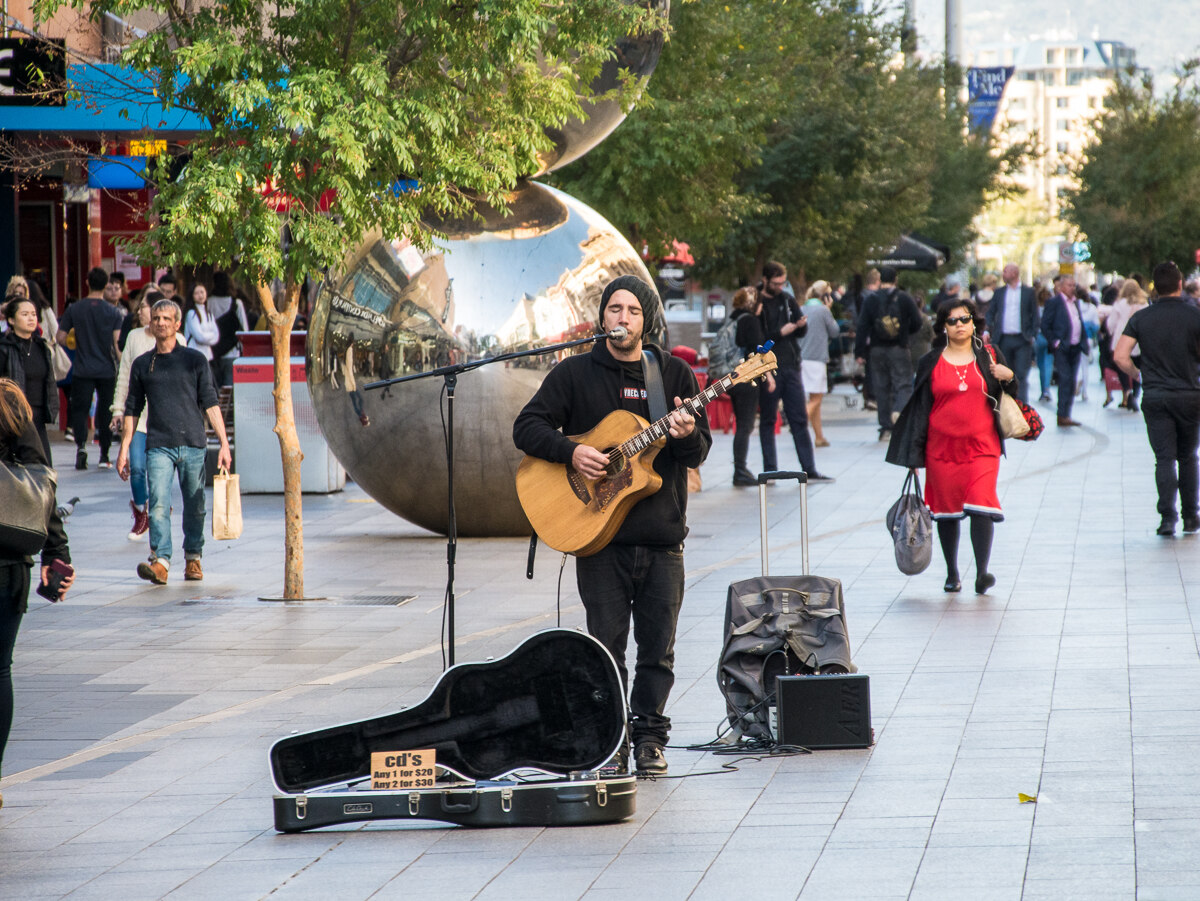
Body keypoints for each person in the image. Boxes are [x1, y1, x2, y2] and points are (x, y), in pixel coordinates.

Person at [512, 275, 711, 776]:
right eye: (615, 309)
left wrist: (686, 433)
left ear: (646, 320)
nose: (623, 318)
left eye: (633, 311)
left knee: (658, 651)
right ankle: (610, 740)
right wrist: (571, 452)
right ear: (602, 318)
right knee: (605, 648)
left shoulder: (673, 375)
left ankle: (650, 739)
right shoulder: (575, 373)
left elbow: (697, 453)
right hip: (599, 539)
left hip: (662, 540)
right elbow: (527, 426)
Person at [887, 300, 1017, 594]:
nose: (959, 325)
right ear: (943, 326)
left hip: (983, 446)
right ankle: (952, 573)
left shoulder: (989, 356)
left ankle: (982, 573)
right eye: (952, 320)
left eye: (964, 319)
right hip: (941, 450)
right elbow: (920, 410)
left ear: (974, 322)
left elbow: (1010, 394)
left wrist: (1009, 376)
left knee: (981, 503)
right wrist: (913, 457)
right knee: (947, 512)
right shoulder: (930, 362)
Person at [116, 299, 232, 584]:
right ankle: (161, 561)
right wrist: (124, 448)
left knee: (195, 505)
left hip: (193, 442)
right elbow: (132, 408)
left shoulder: (195, 360)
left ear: (178, 324)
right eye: (157, 318)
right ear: (150, 322)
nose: (161, 323)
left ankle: (193, 558)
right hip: (158, 444)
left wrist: (224, 443)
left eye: (167, 318)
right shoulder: (143, 364)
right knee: (157, 503)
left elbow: (210, 402)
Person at [0, 378, 74, 807]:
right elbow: (40, 481)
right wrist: (56, 551)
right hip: (7, 562)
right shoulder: (8, 399)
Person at [1114, 261, 1200, 537]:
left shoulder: (1142, 318)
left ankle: (1167, 518)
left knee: (1164, 458)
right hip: (1189, 395)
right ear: (1179, 284)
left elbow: (1120, 355)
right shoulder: (1194, 315)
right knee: (1188, 457)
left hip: (1156, 395)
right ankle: (1191, 516)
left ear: (1154, 288)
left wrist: (1139, 375)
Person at [757, 261, 832, 480]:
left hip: (791, 365)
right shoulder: (758, 302)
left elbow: (800, 332)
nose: (779, 287)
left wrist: (800, 326)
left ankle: (809, 468)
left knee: (799, 418)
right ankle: (770, 470)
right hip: (768, 368)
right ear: (765, 280)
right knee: (768, 419)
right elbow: (757, 338)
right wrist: (780, 332)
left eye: (782, 282)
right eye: (775, 283)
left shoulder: (787, 299)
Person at [56, 267, 124, 470]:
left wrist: (72, 342)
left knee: (80, 410)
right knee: (105, 411)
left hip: (82, 368)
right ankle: (104, 455)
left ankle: (81, 448)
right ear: (106, 285)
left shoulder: (74, 309)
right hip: (106, 369)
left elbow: (60, 337)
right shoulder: (113, 312)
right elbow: (117, 344)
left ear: (87, 283)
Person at [110, 291, 159, 542]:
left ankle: (157, 513)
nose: (139, 311)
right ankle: (141, 512)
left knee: (158, 471)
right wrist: (118, 409)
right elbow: (124, 375)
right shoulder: (134, 337)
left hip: (162, 418)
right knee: (137, 468)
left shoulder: (178, 339)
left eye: (144, 307)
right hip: (137, 417)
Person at [855, 266, 922, 441]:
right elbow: (917, 322)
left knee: (881, 387)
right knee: (904, 384)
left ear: (880, 280)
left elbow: (862, 326)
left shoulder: (871, 299)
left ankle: (885, 428)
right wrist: (904, 334)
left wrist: (859, 352)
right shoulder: (904, 298)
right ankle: (899, 412)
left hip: (876, 349)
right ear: (895, 280)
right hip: (899, 347)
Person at [0, 296, 59, 462]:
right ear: (11, 320)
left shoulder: (42, 347)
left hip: (38, 418)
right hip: (13, 420)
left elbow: (50, 383)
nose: (31, 318)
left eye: (33, 314)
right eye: (25, 314)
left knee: (44, 467)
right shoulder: (4, 348)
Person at [727, 286, 774, 485]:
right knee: (745, 425)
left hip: (730, 377)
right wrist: (769, 376)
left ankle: (740, 469)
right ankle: (740, 470)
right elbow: (758, 353)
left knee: (741, 424)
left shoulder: (733, 319)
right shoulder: (751, 321)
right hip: (747, 377)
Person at [985, 263, 1039, 405]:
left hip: (1022, 339)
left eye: (1005, 271)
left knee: (1021, 374)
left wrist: (1032, 334)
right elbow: (991, 312)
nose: (1003, 274)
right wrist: (987, 330)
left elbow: (1035, 314)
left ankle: (1022, 407)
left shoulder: (1028, 292)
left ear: (1014, 273)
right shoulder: (999, 292)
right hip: (1003, 339)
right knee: (1003, 373)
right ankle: (1006, 405)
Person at [1040, 273, 1089, 427]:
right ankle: (1062, 414)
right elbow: (1045, 325)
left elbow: (1078, 322)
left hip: (1075, 346)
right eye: (1069, 285)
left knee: (1072, 380)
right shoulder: (1054, 302)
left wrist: (1083, 342)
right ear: (1061, 287)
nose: (1072, 288)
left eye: (1074, 285)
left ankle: (1066, 414)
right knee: (1065, 379)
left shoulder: (1075, 302)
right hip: (1062, 348)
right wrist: (1055, 342)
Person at [798, 280, 841, 448]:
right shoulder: (823, 310)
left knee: (814, 398)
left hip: (802, 358)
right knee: (817, 398)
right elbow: (835, 332)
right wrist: (829, 310)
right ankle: (800, 422)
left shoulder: (802, 308)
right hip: (817, 359)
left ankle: (819, 437)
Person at [1099, 279, 1148, 412]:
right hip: (1138, 340)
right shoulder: (1144, 304)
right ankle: (1136, 394)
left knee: (1121, 366)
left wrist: (1111, 332)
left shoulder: (1120, 304)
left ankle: (1127, 391)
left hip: (1121, 339)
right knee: (1136, 367)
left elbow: (1111, 323)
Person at [206, 272, 249, 387]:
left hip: (213, 352)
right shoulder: (237, 303)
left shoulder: (209, 302)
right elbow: (244, 330)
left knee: (215, 389)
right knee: (229, 390)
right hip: (232, 352)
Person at [182, 282, 221, 385]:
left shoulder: (209, 314)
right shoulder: (192, 314)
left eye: (202, 292)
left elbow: (216, 336)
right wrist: (210, 335)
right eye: (196, 293)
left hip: (207, 355)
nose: (200, 295)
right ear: (192, 296)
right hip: (194, 355)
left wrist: (206, 336)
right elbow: (199, 337)